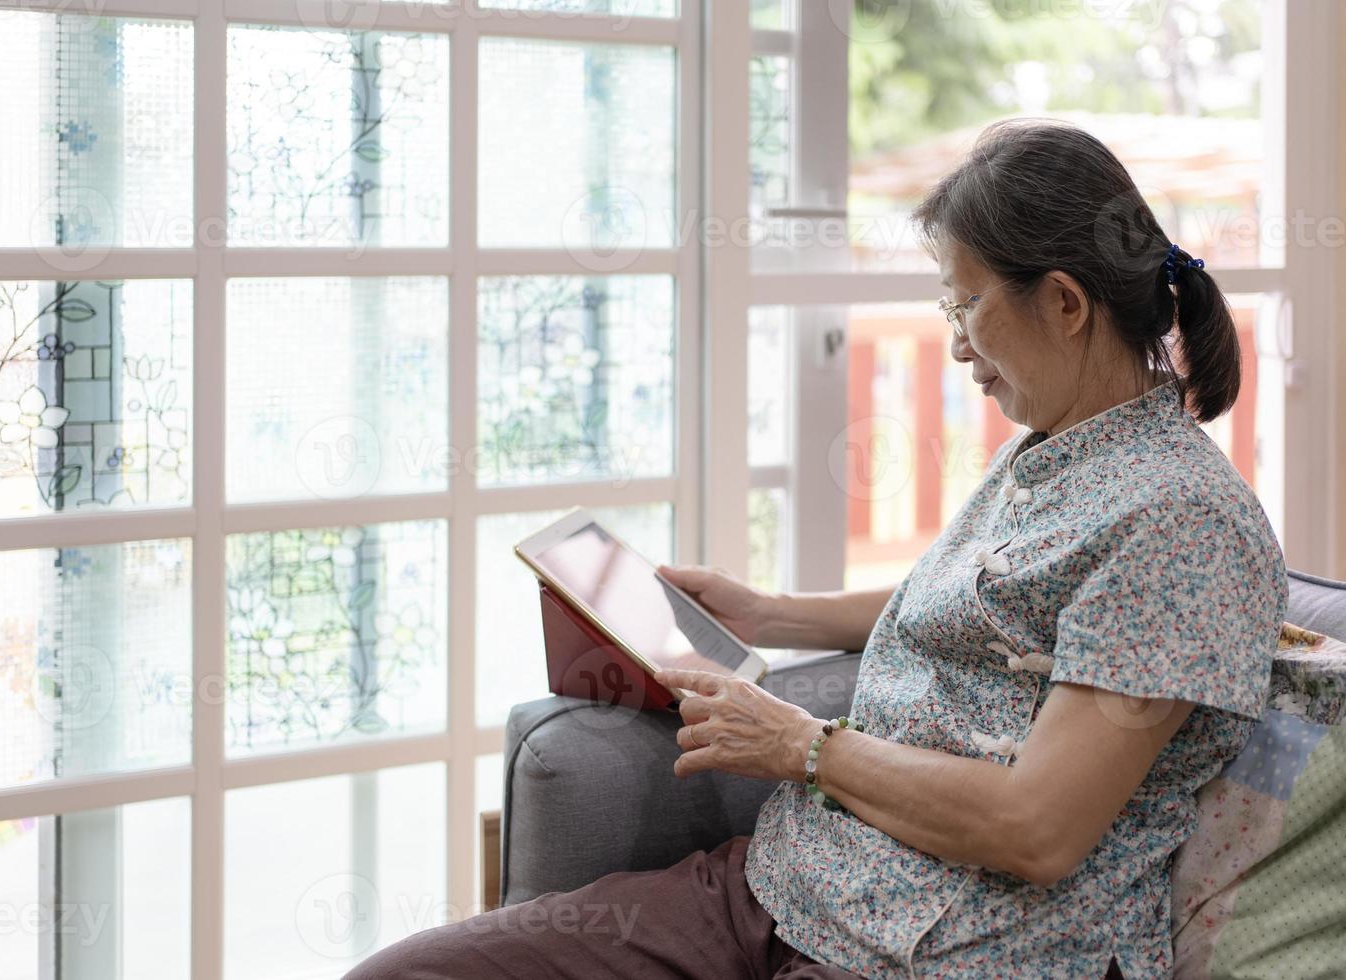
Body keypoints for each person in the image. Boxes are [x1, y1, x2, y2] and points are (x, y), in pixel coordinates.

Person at [347, 119, 1287, 979]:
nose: (957, 346)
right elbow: (982, 603)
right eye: (944, 312)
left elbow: (1035, 828)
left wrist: (802, 745)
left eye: (965, 306)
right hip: (787, 886)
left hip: (951, 949)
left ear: (1066, 303)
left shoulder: (1181, 524)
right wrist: (767, 613)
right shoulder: (1052, 448)